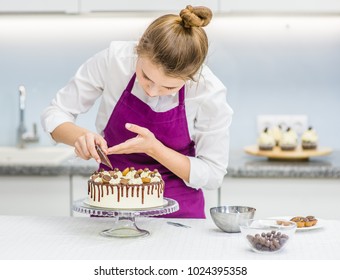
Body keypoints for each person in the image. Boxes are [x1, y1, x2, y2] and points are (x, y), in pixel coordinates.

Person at [41, 5, 233, 218]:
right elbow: (56, 112)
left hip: (179, 217)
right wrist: (81, 137)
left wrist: (155, 149)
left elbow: (213, 174)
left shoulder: (208, 91)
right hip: (111, 210)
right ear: (138, 50)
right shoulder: (115, 61)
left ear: (192, 76)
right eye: (146, 77)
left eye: (169, 88)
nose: (152, 92)